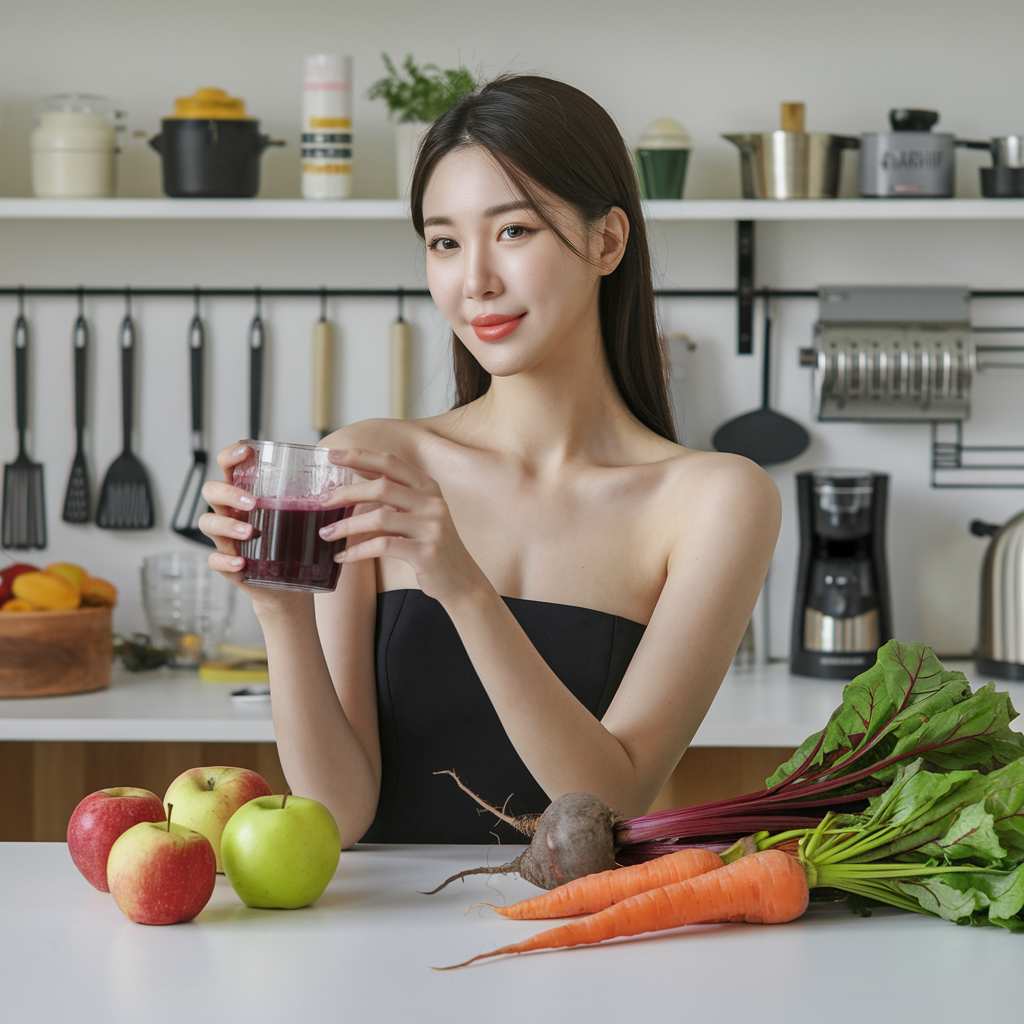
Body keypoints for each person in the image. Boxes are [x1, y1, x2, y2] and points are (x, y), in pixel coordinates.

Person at [200, 75, 780, 847]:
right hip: (377, 947)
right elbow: (339, 814)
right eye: (444, 242)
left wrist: (466, 590)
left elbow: (610, 799)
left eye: (513, 232)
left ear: (607, 241)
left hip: (579, 941)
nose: (474, 281)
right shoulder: (369, 462)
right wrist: (280, 611)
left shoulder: (716, 500)